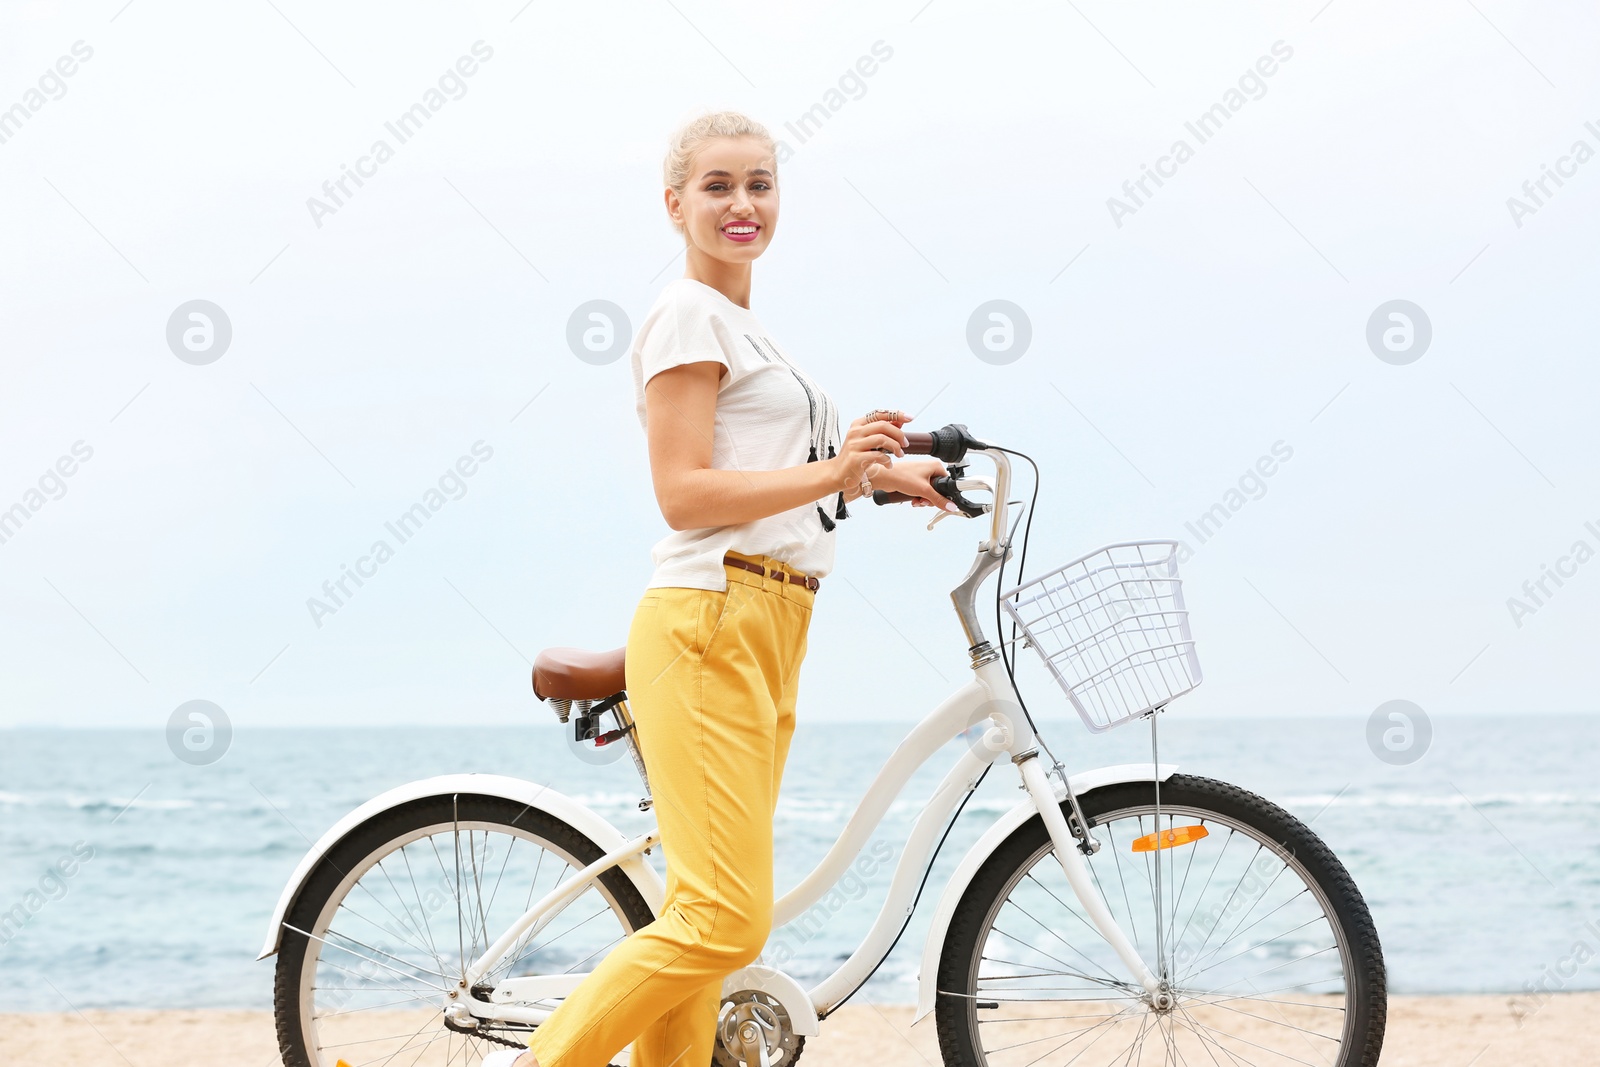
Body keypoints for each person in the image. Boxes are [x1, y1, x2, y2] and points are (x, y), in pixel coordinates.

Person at [487, 109, 955, 1067]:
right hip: (711, 620)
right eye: (718, 186)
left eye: (760, 184)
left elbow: (770, 477)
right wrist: (834, 474)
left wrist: (879, 473)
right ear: (674, 204)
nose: (743, 204)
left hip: (772, 624)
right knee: (724, 921)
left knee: (701, 923)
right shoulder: (684, 314)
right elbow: (685, 494)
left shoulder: (751, 330)